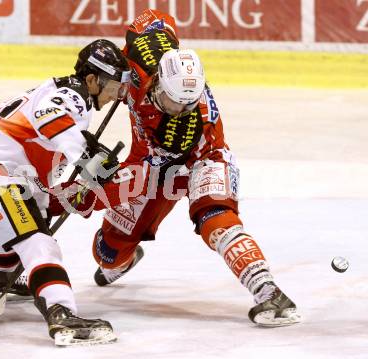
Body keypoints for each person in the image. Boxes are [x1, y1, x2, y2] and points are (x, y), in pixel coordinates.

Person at [72, 9, 301, 327]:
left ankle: (268, 291)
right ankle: (125, 252)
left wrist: (101, 180)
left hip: (200, 159)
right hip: (150, 160)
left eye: (188, 104)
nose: (180, 110)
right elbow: (153, 18)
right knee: (107, 253)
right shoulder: (150, 55)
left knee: (215, 218)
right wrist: (127, 54)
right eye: (174, 101)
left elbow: (143, 176)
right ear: (160, 82)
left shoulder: (183, 126)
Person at [0, 39, 130, 345]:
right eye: (112, 86)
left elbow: (40, 165)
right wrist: (86, 157)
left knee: (22, 224)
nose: (114, 95)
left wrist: (41, 212)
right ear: (92, 79)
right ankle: (62, 313)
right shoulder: (74, 97)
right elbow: (48, 115)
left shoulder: (61, 89)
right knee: (39, 244)